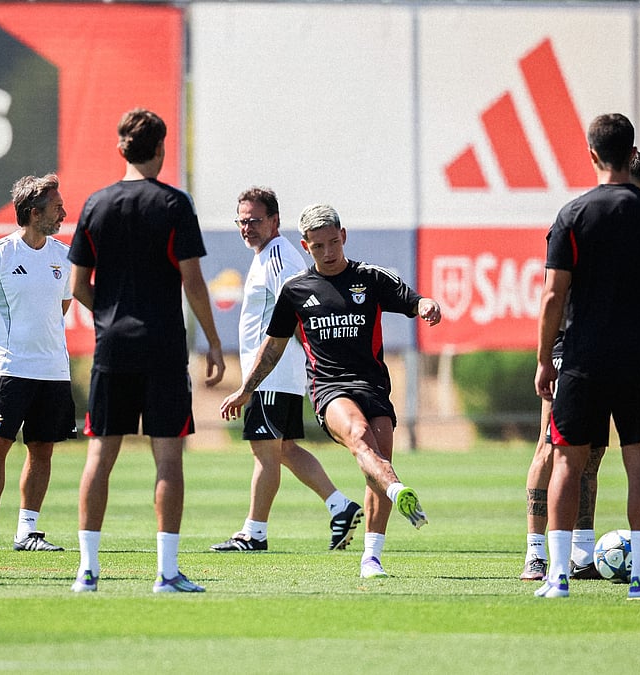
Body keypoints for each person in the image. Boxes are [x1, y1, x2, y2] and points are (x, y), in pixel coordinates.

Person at [220, 204, 441, 580]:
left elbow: (410, 299)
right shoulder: (296, 291)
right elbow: (273, 347)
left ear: (344, 236)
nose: (328, 252)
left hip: (373, 385)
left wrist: (426, 305)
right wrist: (245, 388)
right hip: (330, 388)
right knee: (359, 437)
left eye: (333, 242)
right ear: (306, 246)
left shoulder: (369, 278)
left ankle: (372, 557)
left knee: (378, 460)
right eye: (319, 246)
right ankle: (398, 488)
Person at [67, 108, 225, 594]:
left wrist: (109, 319)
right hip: (161, 345)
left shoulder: (96, 204)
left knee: (100, 454)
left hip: (112, 347)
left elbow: (78, 286)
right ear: (160, 149)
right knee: (168, 458)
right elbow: (193, 281)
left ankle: (87, 572)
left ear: (121, 149)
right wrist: (215, 342)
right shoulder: (175, 204)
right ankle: (166, 573)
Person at [534, 113, 640, 600]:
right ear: (631, 150)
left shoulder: (573, 215)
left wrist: (543, 359)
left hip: (582, 359)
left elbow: (552, 297)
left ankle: (557, 578)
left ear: (593, 154)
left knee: (567, 465)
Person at [519, 156, 640, 583]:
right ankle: (536, 554)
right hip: (573, 348)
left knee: (592, 454)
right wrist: (548, 355)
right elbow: (554, 292)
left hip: (616, 354)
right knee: (553, 449)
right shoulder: (581, 218)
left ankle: (581, 552)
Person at [210, 187, 363, 553]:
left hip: (273, 374)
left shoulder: (278, 256)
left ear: (275, 221)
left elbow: (298, 314)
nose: (247, 227)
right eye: (242, 221)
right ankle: (339, 506)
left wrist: (309, 360)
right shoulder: (266, 256)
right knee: (284, 449)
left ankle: (254, 532)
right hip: (278, 374)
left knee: (265, 451)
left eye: (255, 220)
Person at [0, 174, 76, 554]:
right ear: (34, 213)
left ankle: (27, 531)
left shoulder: (63, 256)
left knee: (42, 449)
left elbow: (60, 309)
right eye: (56, 207)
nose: (63, 212)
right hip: (11, 370)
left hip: (53, 372)